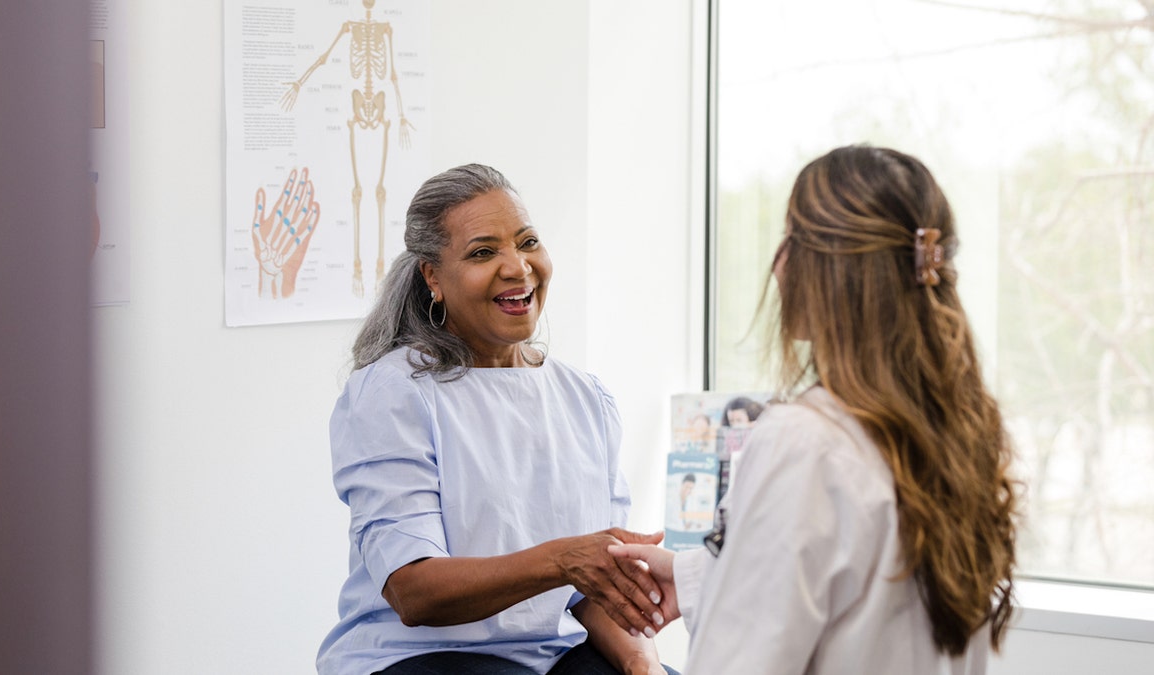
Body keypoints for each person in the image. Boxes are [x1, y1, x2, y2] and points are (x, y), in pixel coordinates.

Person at [611, 145, 1021, 674]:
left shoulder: (803, 442)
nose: (778, 263)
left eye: (791, 239)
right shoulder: (958, 429)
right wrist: (691, 576)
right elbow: (857, 588)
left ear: (830, 271)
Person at [317, 163, 678, 675]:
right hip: (424, 658)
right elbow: (413, 591)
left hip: (554, 657)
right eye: (484, 252)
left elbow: (596, 588)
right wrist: (560, 559)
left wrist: (644, 667)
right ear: (432, 277)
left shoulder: (586, 398)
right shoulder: (395, 394)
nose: (518, 267)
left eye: (527, 242)